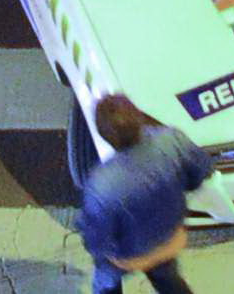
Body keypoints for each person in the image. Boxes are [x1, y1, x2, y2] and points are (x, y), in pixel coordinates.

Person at [74, 94, 216, 294]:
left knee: (106, 282)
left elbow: (97, 242)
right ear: (139, 118)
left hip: (125, 256)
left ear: (105, 135)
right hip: (168, 236)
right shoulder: (173, 141)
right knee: (168, 280)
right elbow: (201, 172)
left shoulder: (101, 185)